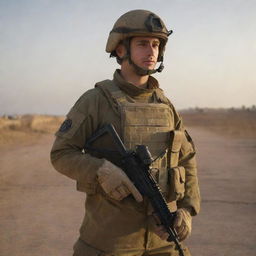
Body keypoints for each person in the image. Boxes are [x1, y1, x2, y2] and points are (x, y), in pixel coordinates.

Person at [50, 9, 200, 256]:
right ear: (120, 50)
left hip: (162, 241)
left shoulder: (166, 105)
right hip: (109, 243)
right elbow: (61, 154)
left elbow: (187, 160)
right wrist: (100, 170)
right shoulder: (95, 101)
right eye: (142, 44)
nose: (151, 51)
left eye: (156, 44)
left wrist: (187, 210)